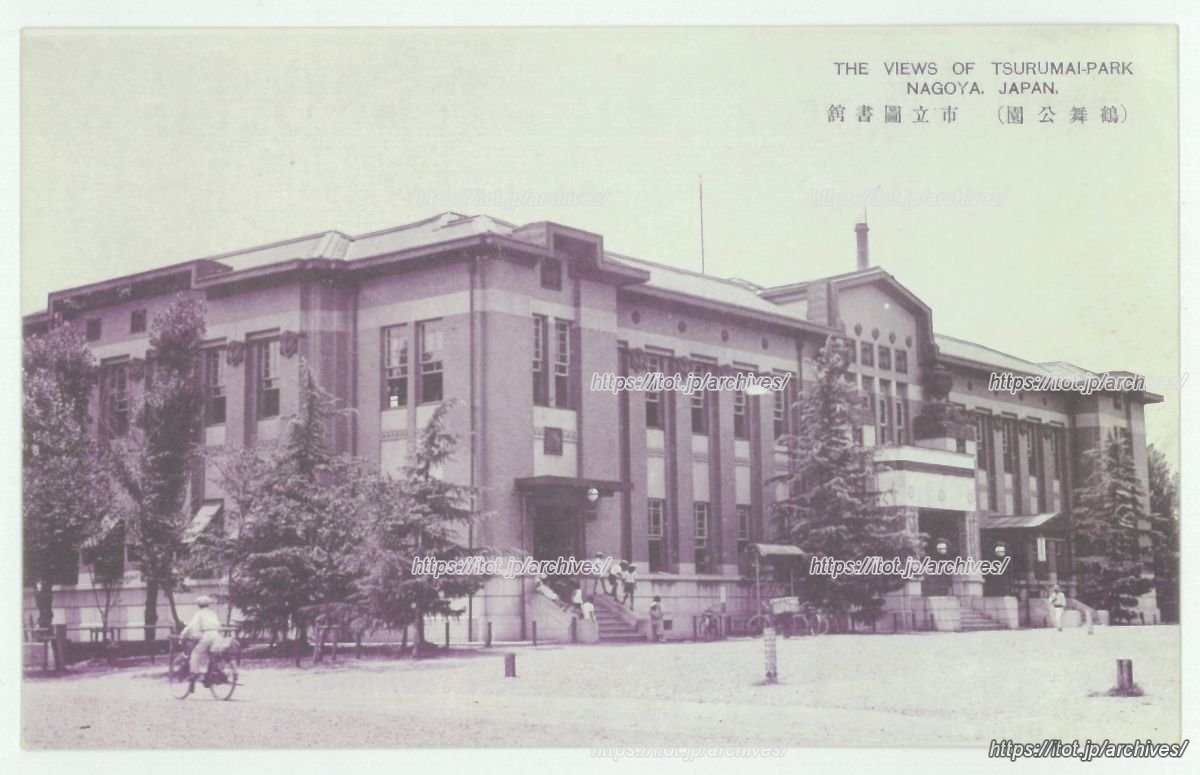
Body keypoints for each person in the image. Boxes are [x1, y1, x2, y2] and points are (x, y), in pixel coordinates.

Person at [179, 595, 222, 691]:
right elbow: (218, 625)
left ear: (199, 605)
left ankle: (195, 673)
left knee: (196, 654)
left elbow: (191, 626)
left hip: (207, 635)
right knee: (211, 655)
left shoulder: (199, 614)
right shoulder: (213, 613)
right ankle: (212, 673)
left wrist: (182, 635)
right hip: (217, 635)